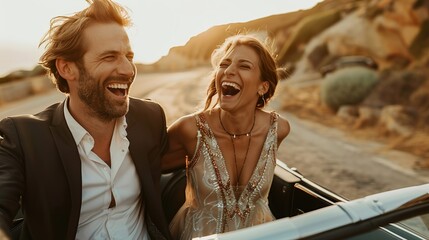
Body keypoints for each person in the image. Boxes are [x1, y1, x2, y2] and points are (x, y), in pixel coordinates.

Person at [0, 0, 171, 239]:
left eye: (128, 56)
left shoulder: (150, 118)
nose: (127, 69)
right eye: (109, 57)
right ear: (67, 68)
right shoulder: (24, 137)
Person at [162, 34, 291, 240]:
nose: (229, 71)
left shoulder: (278, 129)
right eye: (224, 64)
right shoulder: (189, 130)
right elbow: (146, 169)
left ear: (263, 87)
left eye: (244, 66)